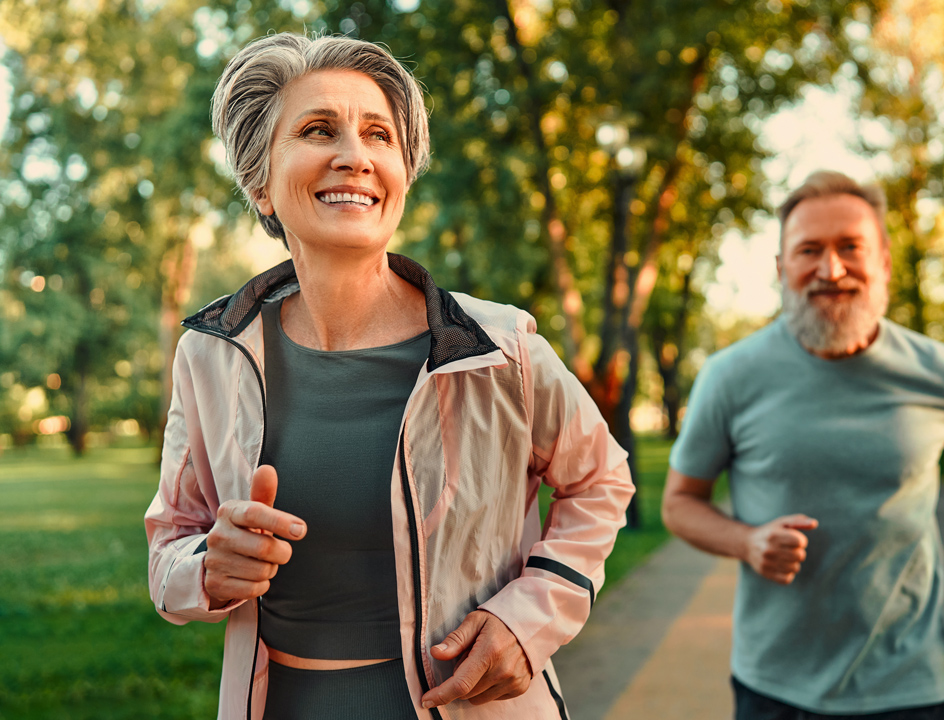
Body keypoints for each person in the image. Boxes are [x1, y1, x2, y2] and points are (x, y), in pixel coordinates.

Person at [145, 32, 634, 720]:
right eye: (318, 129)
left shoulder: (499, 346)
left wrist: (529, 619)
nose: (356, 156)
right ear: (259, 181)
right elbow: (169, 546)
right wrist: (206, 568)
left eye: (379, 135)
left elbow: (601, 479)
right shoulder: (210, 354)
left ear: (403, 173)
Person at [661, 170, 944, 719]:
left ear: (884, 264)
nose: (831, 269)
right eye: (809, 251)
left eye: (851, 248)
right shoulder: (729, 376)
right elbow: (679, 503)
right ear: (781, 269)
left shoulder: (941, 373)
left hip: (908, 686)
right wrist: (747, 541)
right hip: (773, 686)